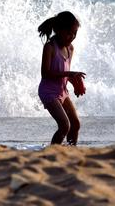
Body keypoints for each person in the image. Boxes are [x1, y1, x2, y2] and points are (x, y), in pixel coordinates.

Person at [37, 11, 85, 145]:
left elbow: (65, 73)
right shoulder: (50, 47)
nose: (72, 37)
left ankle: (71, 150)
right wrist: (69, 74)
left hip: (62, 91)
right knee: (64, 125)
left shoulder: (70, 48)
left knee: (75, 124)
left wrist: (75, 83)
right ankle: (53, 151)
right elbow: (45, 73)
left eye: (75, 33)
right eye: (69, 33)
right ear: (58, 30)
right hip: (49, 92)